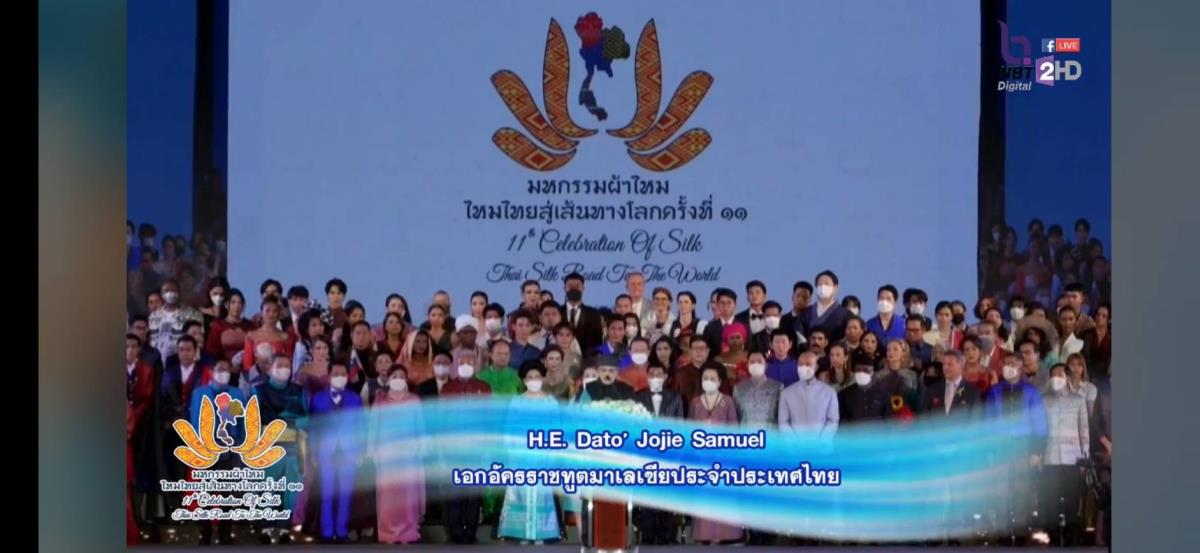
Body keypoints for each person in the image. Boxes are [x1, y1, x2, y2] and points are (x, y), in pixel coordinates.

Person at [984, 352, 1048, 542]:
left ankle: (1020, 530)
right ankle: (1002, 531)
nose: (1008, 367)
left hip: (1023, 445)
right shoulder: (994, 391)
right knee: (1000, 489)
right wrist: (989, 450)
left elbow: (1039, 423)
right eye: (1006, 363)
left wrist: (1036, 451)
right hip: (1000, 446)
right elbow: (988, 422)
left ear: (1020, 367)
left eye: (1012, 363)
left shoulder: (1031, 391)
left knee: (1022, 488)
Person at [497, 364, 563, 543]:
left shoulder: (550, 402)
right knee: (521, 494)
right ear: (524, 380)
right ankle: (522, 533)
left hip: (543, 453)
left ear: (543, 378)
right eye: (530, 377)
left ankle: (541, 533)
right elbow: (510, 429)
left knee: (543, 495)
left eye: (537, 376)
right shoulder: (517, 401)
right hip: (522, 453)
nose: (534, 380)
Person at [252, 355, 310, 544]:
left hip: (292, 447)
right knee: (268, 487)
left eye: (287, 365)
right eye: (279, 365)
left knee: (289, 490)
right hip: (267, 446)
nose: (284, 368)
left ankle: (285, 529)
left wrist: (295, 423)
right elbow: (252, 419)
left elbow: (306, 418)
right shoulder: (258, 390)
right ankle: (266, 529)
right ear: (270, 368)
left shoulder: (298, 390)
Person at [367, 364, 426, 544]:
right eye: (395, 376)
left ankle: (408, 533)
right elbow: (373, 428)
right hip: (386, 456)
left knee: (407, 498)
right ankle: (388, 534)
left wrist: (422, 447)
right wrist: (372, 451)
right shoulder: (380, 401)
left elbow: (420, 426)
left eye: (401, 376)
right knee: (387, 499)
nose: (398, 379)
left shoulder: (414, 400)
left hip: (409, 456)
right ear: (389, 379)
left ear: (406, 379)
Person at [307, 362, 365, 544]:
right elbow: (313, 428)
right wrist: (313, 452)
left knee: (345, 495)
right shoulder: (318, 398)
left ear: (348, 377)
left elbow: (361, 427)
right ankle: (326, 532)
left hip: (349, 451)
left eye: (343, 374)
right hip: (326, 451)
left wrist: (361, 451)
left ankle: (341, 531)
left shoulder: (356, 399)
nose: (339, 377)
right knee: (326, 494)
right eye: (336, 373)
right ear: (329, 376)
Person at [689, 365, 744, 545]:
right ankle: (704, 535)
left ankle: (728, 535)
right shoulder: (695, 402)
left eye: (713, 378)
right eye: (705, 378)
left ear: (720, 382)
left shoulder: (727, 401)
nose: (709, 381)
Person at [633, 364, 684, 544]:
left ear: (666, 376)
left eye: (659, 374)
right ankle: (647, 535)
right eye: (652, 373)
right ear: (647, 376)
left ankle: (667, 536)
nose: (655, 377)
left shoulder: (675, 397)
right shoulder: (637, 397)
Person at [1039, 363, 1090, 545]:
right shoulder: (1044, 400)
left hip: (1072, 457)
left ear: (1067, 377)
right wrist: (1039, 454)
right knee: (1051, 497)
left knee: (1071, 497)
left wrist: (1085, 456)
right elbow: (1040, 430)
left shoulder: (1078, 399)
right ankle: (1053, 534)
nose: (1056, 379)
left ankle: (1071, 533)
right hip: (1050, 456)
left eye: (1060, 375)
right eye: (1053, 375)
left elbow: (1083, 429)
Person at [777, 351, 839, 441]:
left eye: (808, 364)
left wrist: (821, 442)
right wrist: (795, 443)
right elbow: (783, 422)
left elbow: (833, 421)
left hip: (822, 446)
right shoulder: (786, 393)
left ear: (816, 367)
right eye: (801, 364)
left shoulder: (829, 392)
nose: (804, 367)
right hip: (795, 446)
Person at [148, 279, 205, 361]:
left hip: (182, 361)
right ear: (161, 293)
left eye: (173, 290)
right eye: (166, 290)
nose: (170, 293)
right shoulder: (153, 316)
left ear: (179, 292)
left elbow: (199, 341)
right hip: (156, 362)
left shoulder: (193, 315)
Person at [920, 350, 981, 418]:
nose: (945, 368)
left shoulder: (972, 392)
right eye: (944, 364)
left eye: (949, 364)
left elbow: (975, 419)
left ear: (961, 365)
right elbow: (923, 416)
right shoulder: (932, 389)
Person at [242, 295, 294, 374]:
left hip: (279, 377)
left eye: (275, 311)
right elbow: (247, 365)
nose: (271, 314)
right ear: (261, 313)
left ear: (278, 314)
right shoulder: (251, 336)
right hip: (255, 378)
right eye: (267, 311)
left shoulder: (285, 337)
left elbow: (289, 363)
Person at [734, 351, 782, 427]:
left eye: (759, 361)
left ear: (766, 365)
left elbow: (781, 415)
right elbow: (737, 415)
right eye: (752, 362)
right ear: (747, 366)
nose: (756, 364)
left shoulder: (777, 387)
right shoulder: (738, 388)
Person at [560, 272, 604, 354]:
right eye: (570, 286)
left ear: (583, 288)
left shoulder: (594, 314)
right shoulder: (557, 312)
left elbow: (598, 343)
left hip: (588, 359)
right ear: (564, 288)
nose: (574, 289)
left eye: (577, 286)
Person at [205, 289, 254, 362]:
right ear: (226, 305)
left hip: (247, 364)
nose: (237, 306)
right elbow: (211, 350)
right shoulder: (218, 325)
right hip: (224, 365)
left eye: (240, 303)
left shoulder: (249, 325)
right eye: (233, 302)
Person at [805, 270, 852, 344]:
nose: (822, 287)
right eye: (819, 284)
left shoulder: (846, 314)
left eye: (826, 284)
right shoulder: (805, 312)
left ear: (835, 288)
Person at [672, 338, 709, 407]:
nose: (698, 351)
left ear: (707, 351)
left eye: (702, 348)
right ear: (690, 351)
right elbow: (674, 399)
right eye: (695, 348)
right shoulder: (680, 373)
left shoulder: (716, 372)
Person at [701, 287, 739, 353]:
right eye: (713, 302)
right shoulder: (709, 328)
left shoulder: (742, 325)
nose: (716, 305)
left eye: (728, 302)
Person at [1082, 303, 1111, 382]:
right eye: (1098, 314)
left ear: (1109, 319)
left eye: (1104, 316)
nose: (1099, 318)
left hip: (1105, 377)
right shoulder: (1085, 334)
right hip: (1087, 375)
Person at [716, 322, 750, 389]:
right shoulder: (719, 359)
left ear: (744, 339)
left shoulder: (750, 356)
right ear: (726, 340)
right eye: (732, 338)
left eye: (738, 337)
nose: (735, 341)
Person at [781, 280, 813, 346]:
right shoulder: (783, 319)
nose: (800, 300)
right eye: (798, 296)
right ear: (792, 297)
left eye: (804, 297)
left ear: (810, 300)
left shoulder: (813, 319)